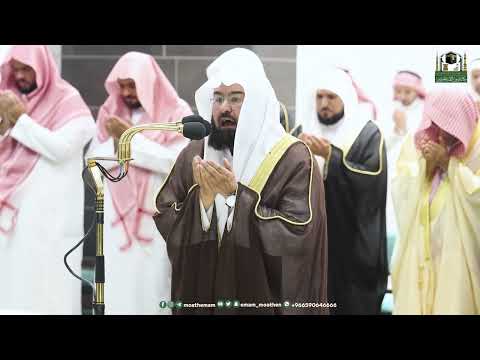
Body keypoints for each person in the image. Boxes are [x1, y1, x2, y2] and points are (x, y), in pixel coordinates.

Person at [153, 48, 329, 315]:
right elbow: (166, 211)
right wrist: (203, 203)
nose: (225, 108)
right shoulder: (196, 153)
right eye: (218, 98)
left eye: (236, 99)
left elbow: (299, 232)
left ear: (256, 102)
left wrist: (238, 197)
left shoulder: (294, 157)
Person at [85, 52, 192, 315]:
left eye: (132, 85)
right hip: (114, 225)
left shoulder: (177, 112)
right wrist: (122, 142)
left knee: (153, 291)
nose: (126, 92)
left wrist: (129, 140)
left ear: (148, 82)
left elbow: (177, 163)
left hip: (156, 224)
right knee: (116, 292)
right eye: (121, 85)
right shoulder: (111, 112)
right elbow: (92, 160)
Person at [0, 45, 95, 314]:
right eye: (14, 69)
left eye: (25, 68)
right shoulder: (7, 99)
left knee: (49, 294)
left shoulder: (67, 101)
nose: (19, 75)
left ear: (42, 66)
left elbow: (61, 148)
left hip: (50, 223)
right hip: (12, 222)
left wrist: (18, 120)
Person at [298, 67, 388, 314]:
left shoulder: (367, 134)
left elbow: (373, 183)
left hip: (352, 250)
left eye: (331, 97)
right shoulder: (302, 132)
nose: (324, 104)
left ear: (345, 99)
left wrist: (331, 157)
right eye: (319, 97)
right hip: (311, 246)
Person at [391, 88, 480, 315]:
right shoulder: (420, 143)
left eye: (448, 123)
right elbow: (401, 185)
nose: (439, 130)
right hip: (419, 253)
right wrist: (426, 168)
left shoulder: (476, 149)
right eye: (434, 121)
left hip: (458, 261)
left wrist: (448, 164)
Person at [384, 70, 427, 264]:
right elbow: (380, 146)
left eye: (407, 92)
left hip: (414, 179)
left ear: (417, 92)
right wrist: (397, 129)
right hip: (389, 178)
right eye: (398, 91)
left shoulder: (425, 113)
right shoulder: (389, 111)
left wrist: (404, 128)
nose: (401, 96)